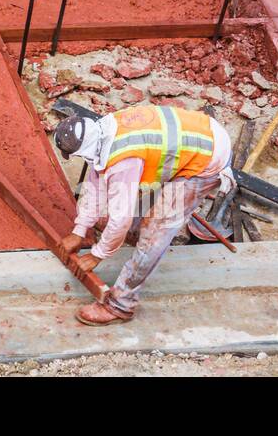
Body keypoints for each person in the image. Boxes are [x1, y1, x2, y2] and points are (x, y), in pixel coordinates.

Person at [51, 105, 235, 325]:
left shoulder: (123, 161)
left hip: (205, 162)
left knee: (155, 229)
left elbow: (121, 217)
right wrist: (79, 231)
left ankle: (120, 305)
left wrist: (98, 254)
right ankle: (133, 233)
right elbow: (94, 185)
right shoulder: (102, 132)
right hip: (199, 137)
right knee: (135, 214)